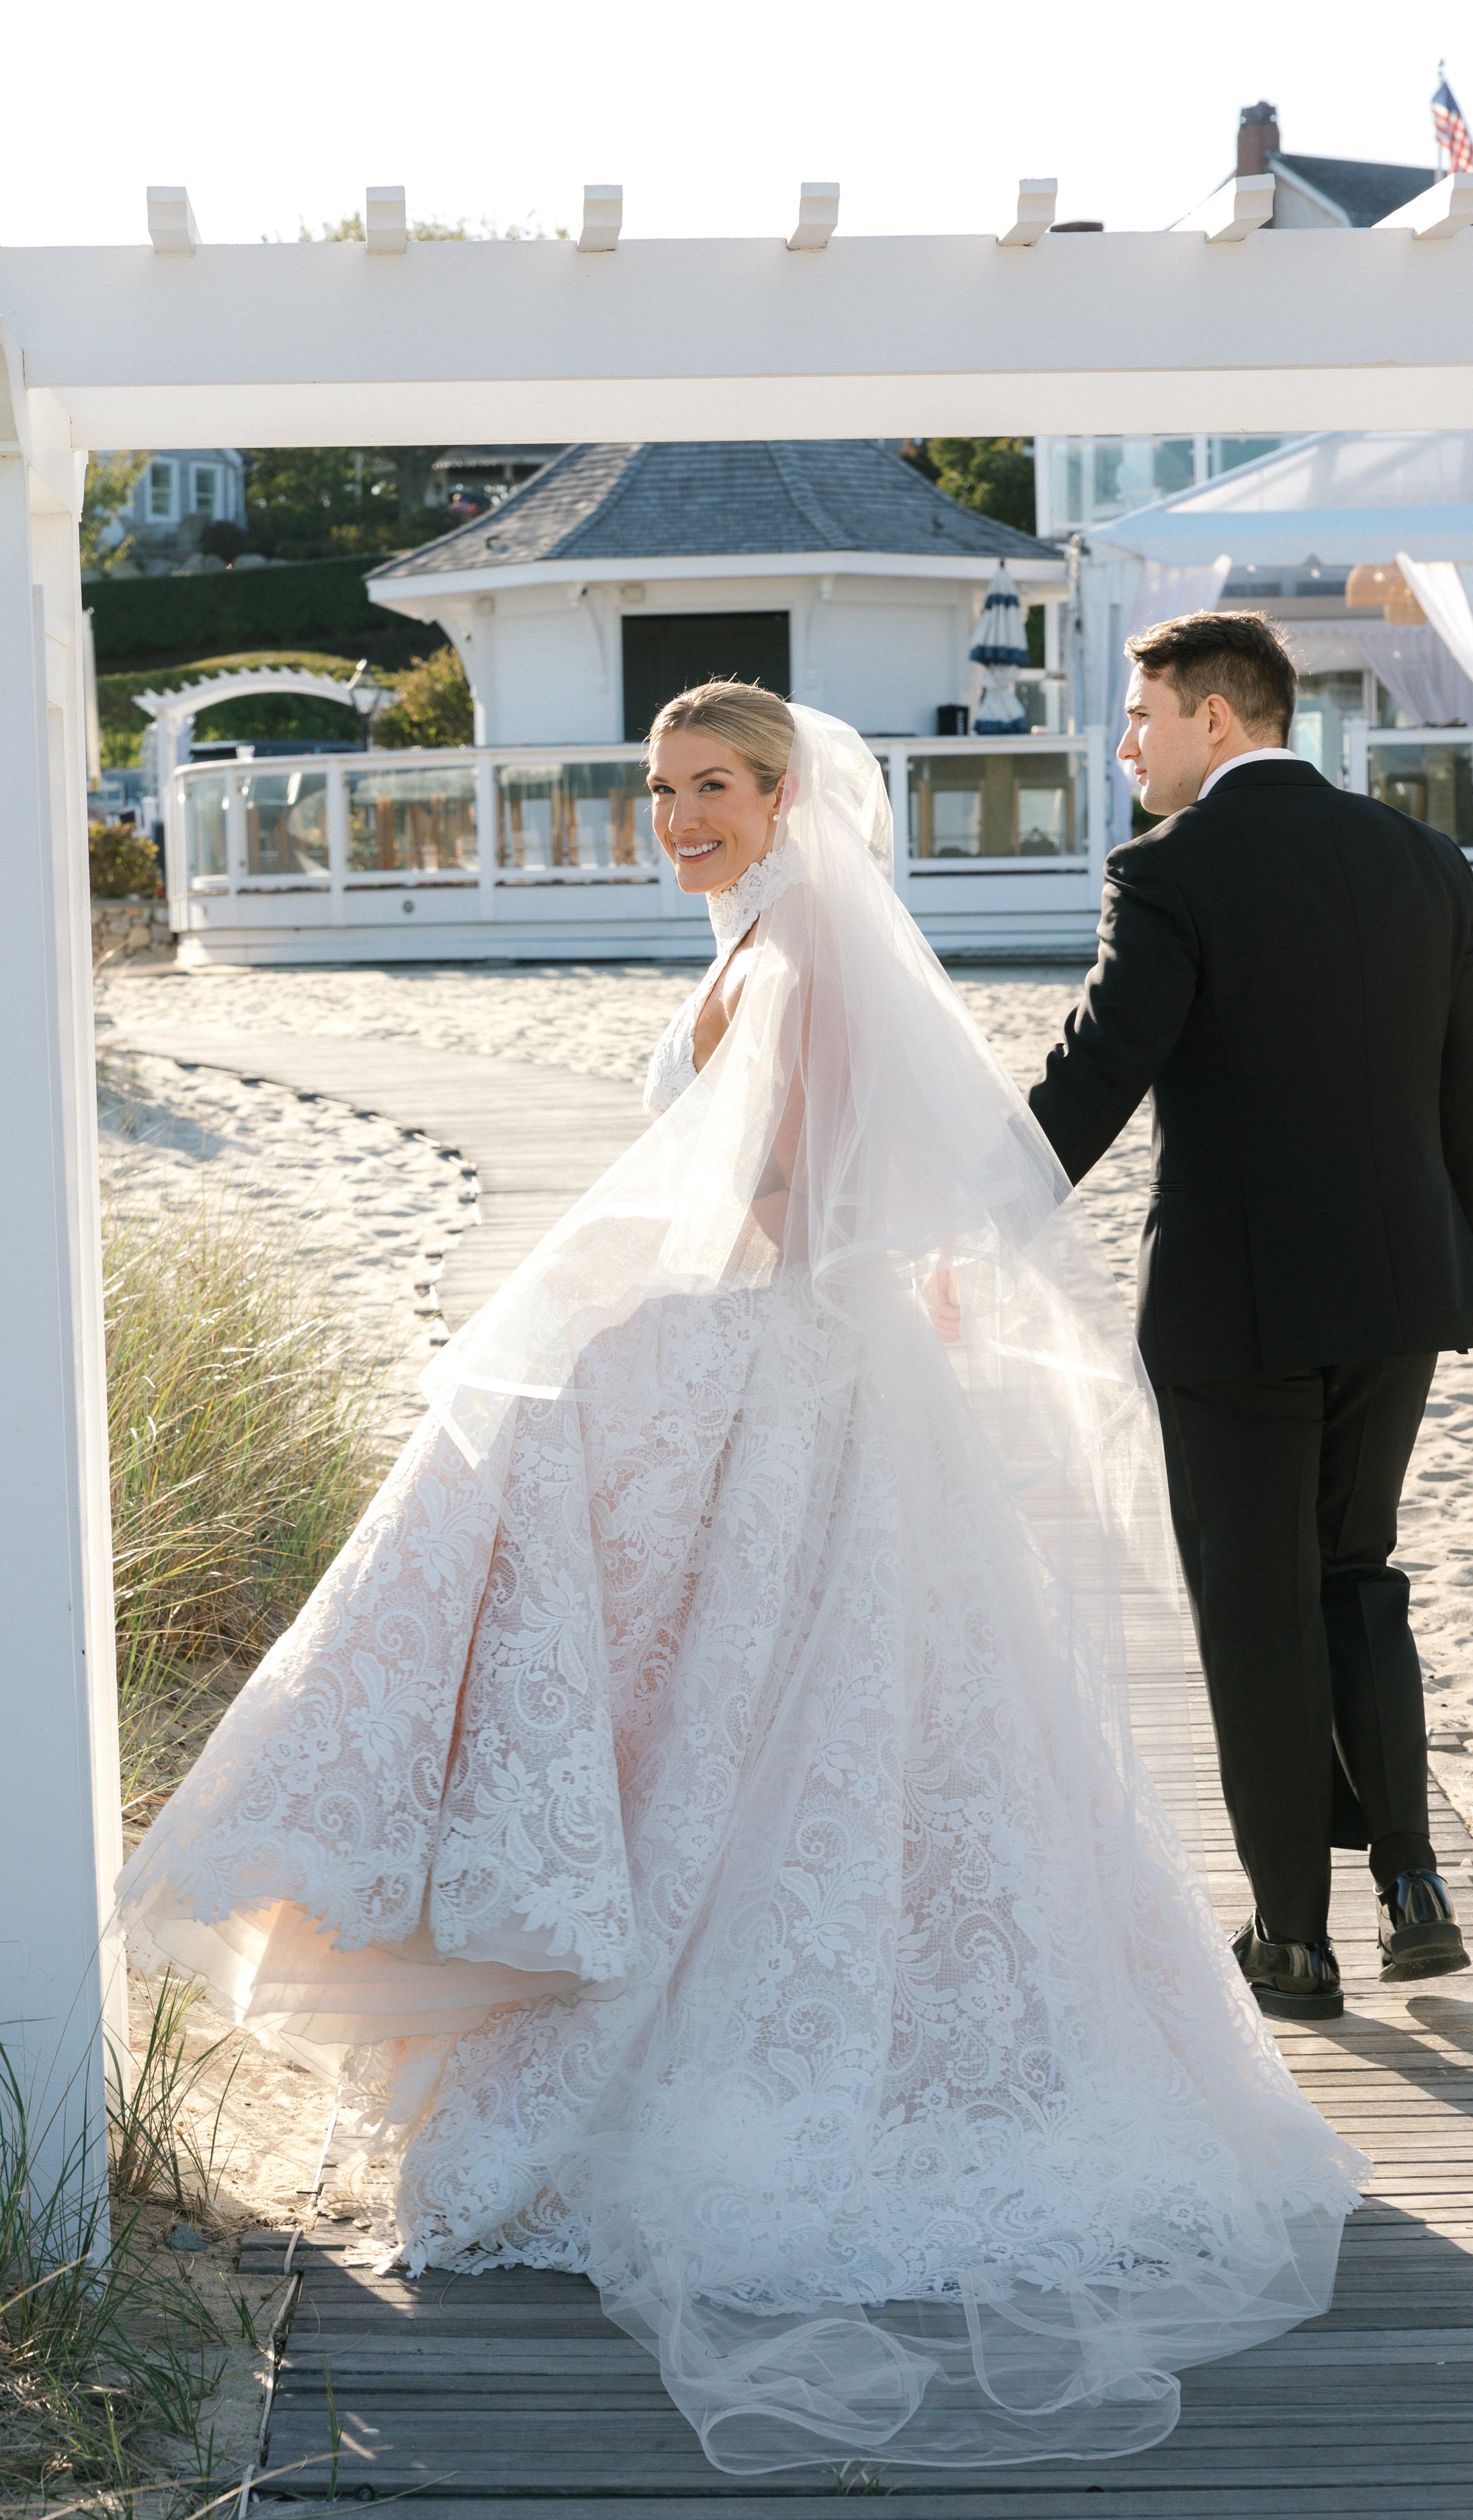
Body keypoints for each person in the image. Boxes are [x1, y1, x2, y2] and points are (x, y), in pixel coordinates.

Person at [118, 683, 1363, 2474]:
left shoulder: (783, 961)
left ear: (785, 801)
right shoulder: (781, 943)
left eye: (711, 786)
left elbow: (770, 1193)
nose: (680, 813)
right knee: (801, 1722)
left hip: (786, 1378)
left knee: (734, 1688)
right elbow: (857, 1196)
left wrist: (584, 1305)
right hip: (823, 1375)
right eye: (658, 788)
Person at [1029, 610, 1473, 2025]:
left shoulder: (1171, 871)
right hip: (1401, 1288)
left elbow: (1099, 1071)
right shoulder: (1423, 862)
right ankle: (1412, 1886)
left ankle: (1292, 1939)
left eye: (1138, 715)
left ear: (1214, 718)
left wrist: (960, 1204)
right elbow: (1459, 1098)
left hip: (1233, 1302)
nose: (1124, 746)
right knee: (1356, 1574)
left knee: (1252, 1611)